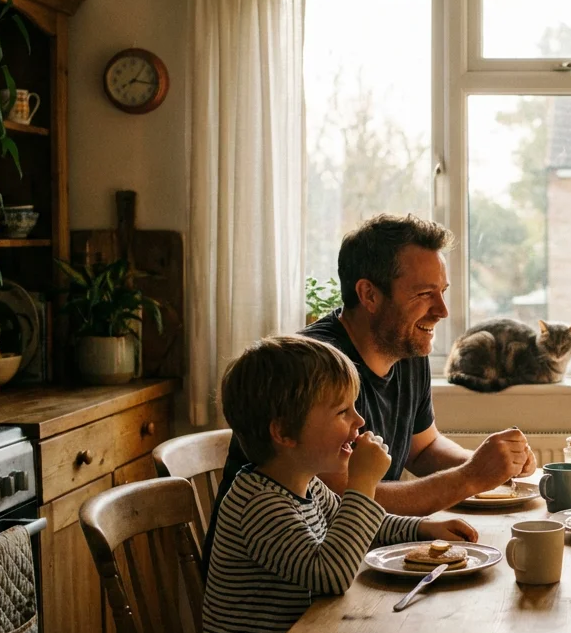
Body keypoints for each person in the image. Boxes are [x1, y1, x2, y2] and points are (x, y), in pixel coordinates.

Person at [202, 335, 491, 633]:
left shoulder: (304, 484)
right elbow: (331, 574)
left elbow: (361, 527)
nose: (359, 422)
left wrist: (421, 529)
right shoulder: (257, 503)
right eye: (342, 412)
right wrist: (362, 484)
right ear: (284, 432)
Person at [205, 214, 536, 568]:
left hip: (361, 558)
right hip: (299, 593)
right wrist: (470, 478)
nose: (441, 310)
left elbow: (422, 449)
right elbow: (345, 494)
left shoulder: (405, 344)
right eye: (425, 294)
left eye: (442, 292)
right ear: (369, 294)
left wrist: (492, 466)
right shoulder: (316, 372)